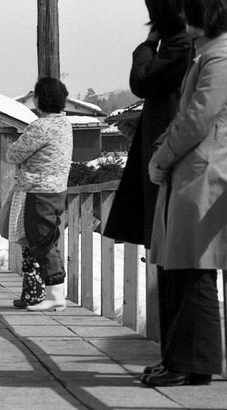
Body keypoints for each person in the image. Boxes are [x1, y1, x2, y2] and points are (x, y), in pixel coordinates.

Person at [101, 0, 193, 380]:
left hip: (169, 165)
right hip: (171, 164)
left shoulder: (179, 46)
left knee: (176, 269)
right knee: (172, 267)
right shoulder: (195, 48)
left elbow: (142, 79)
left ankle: (180, 359)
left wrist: (147, 44)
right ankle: (177, 357)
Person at [141, 0, 227, 387]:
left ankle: (191, 361)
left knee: (192, 271)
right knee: (180, 269)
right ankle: (181, 358)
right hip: (192, 171)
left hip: (202, 172)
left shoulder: (219, 56)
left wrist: (162, 155)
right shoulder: (207, 54)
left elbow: (197, 117)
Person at [7, 77, 73, 311]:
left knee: (40, 240)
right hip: (58, 190)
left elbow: (13, 154)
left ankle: (55, 294)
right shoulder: (65, 124)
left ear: (38, 100)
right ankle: (50, 293)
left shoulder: (40, 127)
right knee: (48, 238)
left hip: (38, 190)